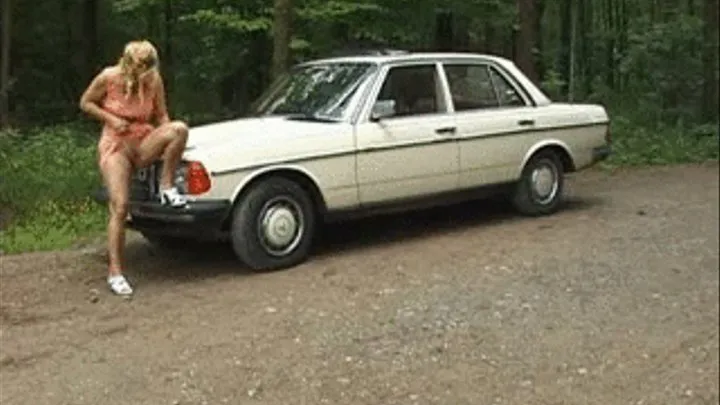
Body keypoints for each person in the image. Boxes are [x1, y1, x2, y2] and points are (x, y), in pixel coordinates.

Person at [79, 40, 189, 296]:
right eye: (142, 64)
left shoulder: (154, 80)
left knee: (179, 129)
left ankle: (167, 186)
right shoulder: (109, 76)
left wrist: (166, 135)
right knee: (120, 206)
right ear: (129, 63)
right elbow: (86, 102)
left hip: (142, 138)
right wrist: (111, 118)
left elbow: (161, 115)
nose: (146, 69)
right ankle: (116, 272)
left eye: (150, 65)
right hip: (116, 143)